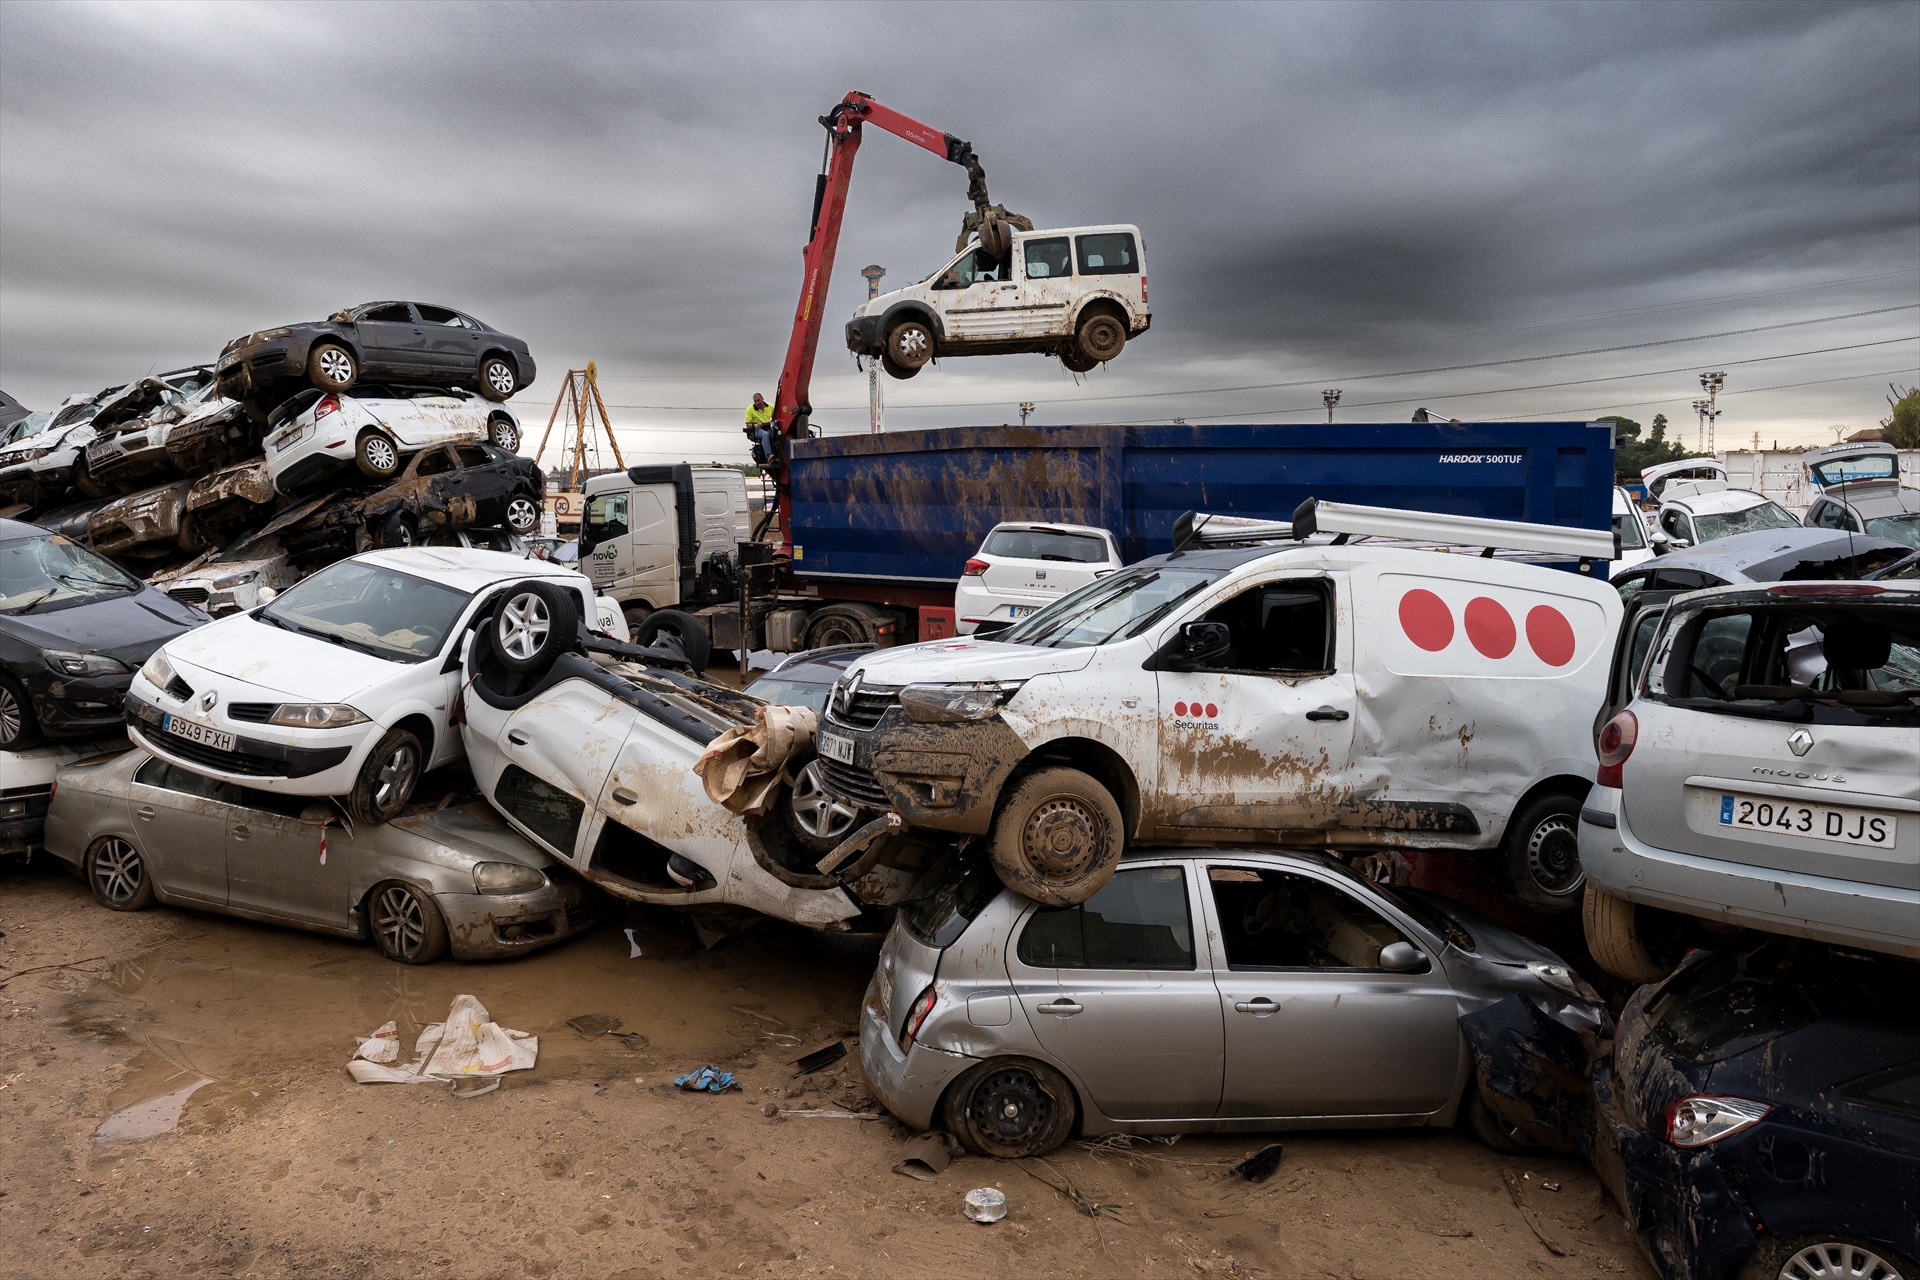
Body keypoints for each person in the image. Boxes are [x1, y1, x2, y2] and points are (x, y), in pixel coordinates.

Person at [744, 393, 774, 463]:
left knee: (777, 434)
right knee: (765, 434)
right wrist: (755, 425)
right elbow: (748, 424)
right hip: (757, 430)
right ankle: (769, 455)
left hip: (768, 427)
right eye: (755, 401)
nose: (757, 402)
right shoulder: (750, 409)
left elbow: (775, 417)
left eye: (758, 400)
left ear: (762, 399)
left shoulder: (770, 407)